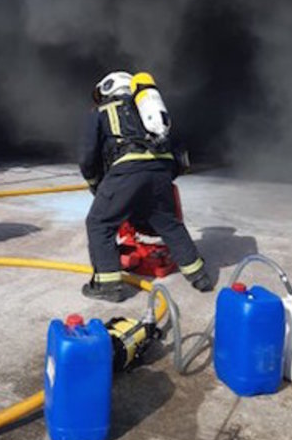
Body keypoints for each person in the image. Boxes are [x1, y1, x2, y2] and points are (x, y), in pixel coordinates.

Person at [79, 70, 213, 302]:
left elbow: (88, 156)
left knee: (99, 222)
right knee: (168, 223)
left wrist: (96, 184)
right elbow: (178, 146)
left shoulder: (101, 113)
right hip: (162, 170)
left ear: (108, 89)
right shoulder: (149, 112)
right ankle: (199, 275)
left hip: (128, 170)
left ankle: (108, 285)